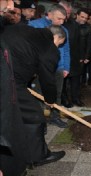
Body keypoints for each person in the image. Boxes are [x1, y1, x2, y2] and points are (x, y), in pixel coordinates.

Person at [0, 24, 66, 176]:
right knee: (35, 116)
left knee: (18, 116)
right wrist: (50, 100)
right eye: (59, 44)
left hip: (10, 74)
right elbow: (48, 78)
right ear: (57, 37)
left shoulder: (22, 28)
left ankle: (21, 152)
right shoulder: (49, 48)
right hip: (10, 80)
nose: (57, 47)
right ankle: (38, 156)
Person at [29, 4, 70, 128]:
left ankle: (55, 117)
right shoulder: (34, 26)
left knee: (56, 93)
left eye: (64, 19)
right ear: (50, 14)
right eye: (59, 18)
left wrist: (66, 67)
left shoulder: (64, 30)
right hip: (39, 69)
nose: (61, 22)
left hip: (58, 67)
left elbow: (66, 50)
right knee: (39, 95)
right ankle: (40, 123)